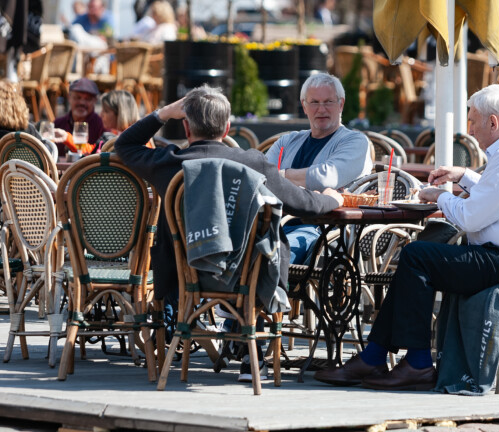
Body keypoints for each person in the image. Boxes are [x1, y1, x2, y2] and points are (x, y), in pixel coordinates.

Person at [314, 84, 499, 390]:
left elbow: (472, 216)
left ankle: (413, 362)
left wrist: (439, 197)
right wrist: (462, 176)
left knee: (416, 256)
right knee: (419, 255)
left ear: (493, 122)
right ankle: (377, 357)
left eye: (473, 121)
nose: (470, 129)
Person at [115, 85, 344, 382]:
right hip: (247, 275)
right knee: (266, 249)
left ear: (185, 126)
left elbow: (125, 144)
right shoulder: (253, 162)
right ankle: (252, 347)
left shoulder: (169, 163)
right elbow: (305, 205)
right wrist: (333, 199)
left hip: (186, 272)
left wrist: (163, 113)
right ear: (227, 128)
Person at [264, 73, 372, 264]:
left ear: (341, 104)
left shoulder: (355, 141)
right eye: (314, 102)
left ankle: (275, 294)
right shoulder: (287, 141)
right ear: (304, 106)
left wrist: (279, 176)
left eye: (328, 101)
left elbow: (326, 177)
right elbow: (260, 176)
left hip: (321, 232)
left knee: (270, 259)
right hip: (272, 225)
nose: (321, 109)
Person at [53, 90, 143, 154]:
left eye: (106, 111)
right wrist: (66, 137)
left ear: (120, 114)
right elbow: (92, 150)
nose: (101, 114)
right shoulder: (119, 136)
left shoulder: (135, 142)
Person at [53, 78, 106, 157]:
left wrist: (68, 139)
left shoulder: (102, 125)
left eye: (87, 99)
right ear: (69, 97)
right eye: (77, 97)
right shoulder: (58, 123)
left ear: (95, 101)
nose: (82, 102)